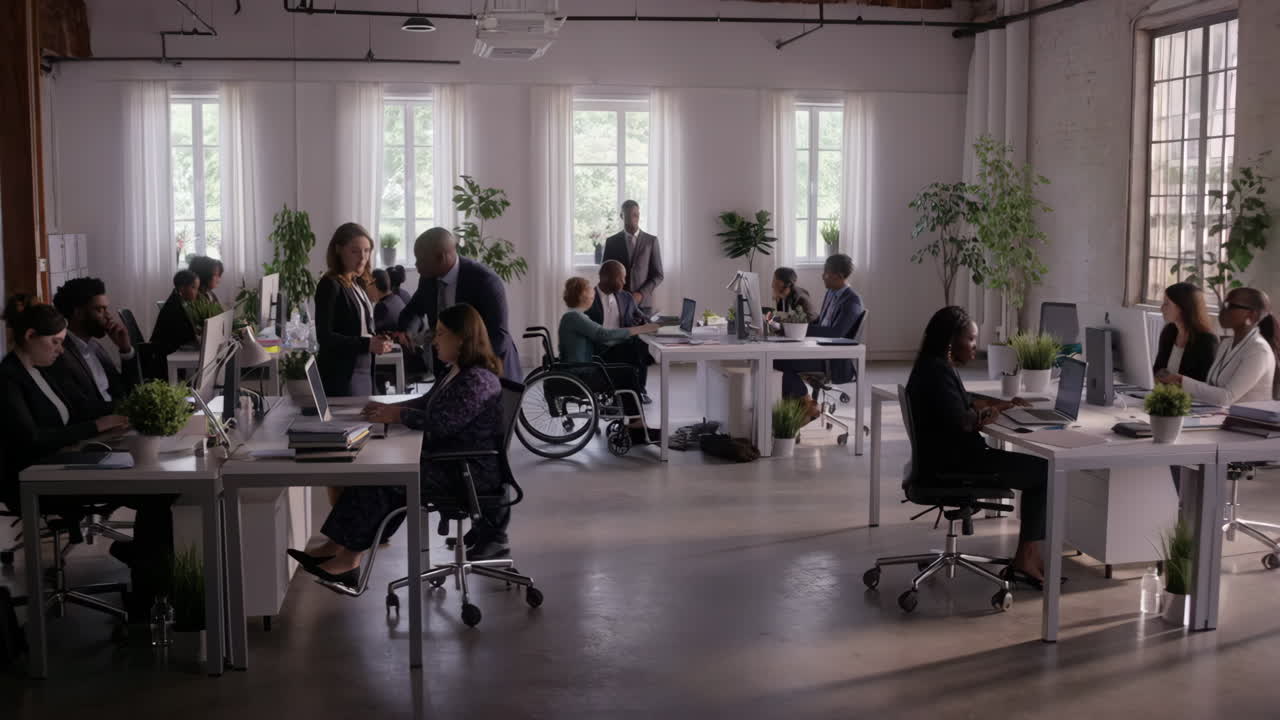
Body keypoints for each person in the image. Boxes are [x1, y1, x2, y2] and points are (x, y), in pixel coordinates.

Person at [287, 303, 511, 583]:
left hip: (466, 470)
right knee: (376, 473)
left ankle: (349, 561)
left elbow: (442, 423)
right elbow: (427, 403)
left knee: (385, 478)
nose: (434, 339)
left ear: (462, 339)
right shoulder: (457, 371)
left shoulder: (477, 380)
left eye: (441, 333)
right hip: (451, 460)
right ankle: (335, 546)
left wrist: (398, 414)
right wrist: (389, 408)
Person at [0, 298, 171, 621]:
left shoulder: (41, 370)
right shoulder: (8, 378)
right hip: (34, 480)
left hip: (62, 464)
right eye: (55, 342)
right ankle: (146, 590)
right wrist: (97, 426)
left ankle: (145, 571)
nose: (60, 350)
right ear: (30, 336)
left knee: (160, 489)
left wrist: (121, 415)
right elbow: (31, 440)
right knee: (156, 496)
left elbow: (78, 409)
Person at [906, 306, 1049, 586]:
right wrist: (988, 415)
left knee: (1038, 469)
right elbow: (962, 421)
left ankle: (1027, 556)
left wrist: (999, 404)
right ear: (951, 341)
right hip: (957, 465)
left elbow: (960, 403)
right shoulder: (937, 372)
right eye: (971, 339)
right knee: (1044, 473)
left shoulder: (932, 366)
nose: (975, 346)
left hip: (942, 460)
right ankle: (1026, 558)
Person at [397, 228, 521, 381]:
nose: (416, 265)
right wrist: (406, 331)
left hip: (490, 372)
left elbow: (498, 336)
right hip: (447, 370)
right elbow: (414, 310)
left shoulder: (484, 281)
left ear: (441, 257)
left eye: (421, 259)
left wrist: (466, 369)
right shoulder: (428, 279)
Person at [1157, 287, 1278, 406]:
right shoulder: (1226, 344)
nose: (1222, 311)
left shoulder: (1259, 350)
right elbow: (1210, 387)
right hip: (1219, 416)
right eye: (1223, 306)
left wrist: (1180, 381)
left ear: (1252, 315)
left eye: (1230, 306)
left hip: (1248, 423)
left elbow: (1227, 397)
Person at [773, 253, 865, 405]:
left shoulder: (852, 302)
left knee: (777, 361)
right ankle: (804, 404)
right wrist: (791, 327)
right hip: (820, 349)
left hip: (831, 360)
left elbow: (835, 333)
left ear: (839, 276)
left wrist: (799, 329)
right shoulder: (831, 293)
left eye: (826, 273)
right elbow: (821, 324)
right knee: (777, 356)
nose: (822, 276)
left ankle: (808, 406)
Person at [314, 223, 394, 397]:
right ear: (338, 250)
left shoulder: (357, 283)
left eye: (366, 251)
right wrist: (367, 343)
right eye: (355, 251)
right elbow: (324, 336)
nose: (362, 257)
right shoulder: (330, 284)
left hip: (364, 370)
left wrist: (376, 338)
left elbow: (359, 329)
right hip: (342, 375)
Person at [48, 277, 142, 418]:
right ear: (78, 313)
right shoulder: (60, 354)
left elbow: (129, 390)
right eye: (100, 310)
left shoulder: (94, 347)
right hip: (101, 428)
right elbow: (83, 408)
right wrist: (128, 406)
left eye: (106, 309)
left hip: (120, 420)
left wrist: (125, 350)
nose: (108, 317)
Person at [585, 260, 656, 402]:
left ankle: (639, 391)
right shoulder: (588, 299)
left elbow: (642, 318)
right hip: (599, 350)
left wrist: (647, 322)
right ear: (606, 278)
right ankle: (627, 398)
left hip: (621, 346)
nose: (624, 281)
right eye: (621, 278)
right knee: (635, 350)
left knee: (639, 344)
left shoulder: (626, 297)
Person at [600, 200, 663, 316]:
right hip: (618, 303)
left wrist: (641, 294)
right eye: (628, 215)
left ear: (639, 215)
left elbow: (658, 275)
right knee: (622, 334)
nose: (632, 219)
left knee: (644, 334)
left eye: (635, 215)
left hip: (644, 304)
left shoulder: (651, 241)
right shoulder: (611, 242)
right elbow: (605, 274)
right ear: (621, 216)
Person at [1152, 282, 1219, 383]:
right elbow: (1157, 370)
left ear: (1182, 308)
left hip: (1189, 397)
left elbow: (1204, 382)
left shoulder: (1207, 341)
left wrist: (1171, 378)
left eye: (1166, 304)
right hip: (1164, 392)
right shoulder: (1169, 332)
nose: (1161, 309)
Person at [150, 270, 201, 357]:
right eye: (193, 287)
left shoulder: (178, 300)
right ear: (182, 288)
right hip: (163, 356)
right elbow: (187, 336)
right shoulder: (175, 307)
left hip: (166, 351)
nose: (197, 292)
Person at [369, 268, 406, 335]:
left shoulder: (381, 306)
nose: (366, 289)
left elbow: (379, 338)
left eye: (367, 284)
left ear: (374, 285)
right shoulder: (397, 298)